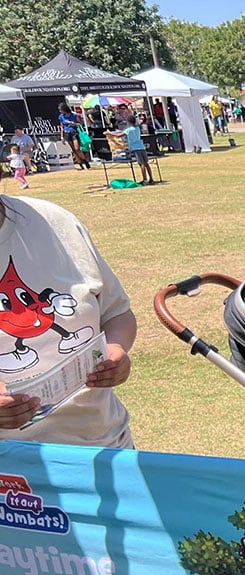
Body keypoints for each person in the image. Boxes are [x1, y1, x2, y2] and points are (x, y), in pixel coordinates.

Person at [0, 195, 137, 448]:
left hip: (103, 443)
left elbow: (116, 312)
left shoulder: (55, 222)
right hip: (11, 464)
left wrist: (116, 350)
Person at [107, 118, 154, 185]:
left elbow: (118, 135)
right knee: (146, 163)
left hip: (135, 148)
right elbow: (121, 132)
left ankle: (145, 180)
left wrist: (109, 134)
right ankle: (151, 178)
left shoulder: (129, 129)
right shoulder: (137, 128)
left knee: (141, 164)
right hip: (141, 146)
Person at [57, 103, 90, 170]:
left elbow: (80, 124)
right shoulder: (61, 116)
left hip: (74, 132)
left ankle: (85, 161)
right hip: (67, 133)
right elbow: (62, 127)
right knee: (73, 150)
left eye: (61, 110)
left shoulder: (74, 115)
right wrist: (62, 136)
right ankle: (80, 163)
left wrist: (73, 124)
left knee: (77, 148)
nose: (60, 111)